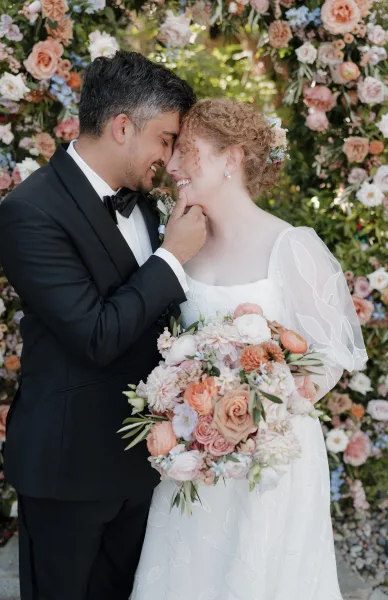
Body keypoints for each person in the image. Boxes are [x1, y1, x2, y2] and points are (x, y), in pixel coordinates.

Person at [131, 98, 368, 600]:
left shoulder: (291, 245)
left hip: (269, 465)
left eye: (187, 151)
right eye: (172, 152)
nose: (172, 166)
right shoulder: (179, 242)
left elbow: (330, 356)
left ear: (230, 159)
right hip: (196, 460)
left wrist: (255, 401)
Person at [0, 50, 207, 600]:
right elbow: (95, 334)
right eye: (164, 138)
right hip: (68, 471)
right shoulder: (30, 211)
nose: (169, 155)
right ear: (120, 127)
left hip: (145, 467)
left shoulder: (151, 208)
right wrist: (172, 260)